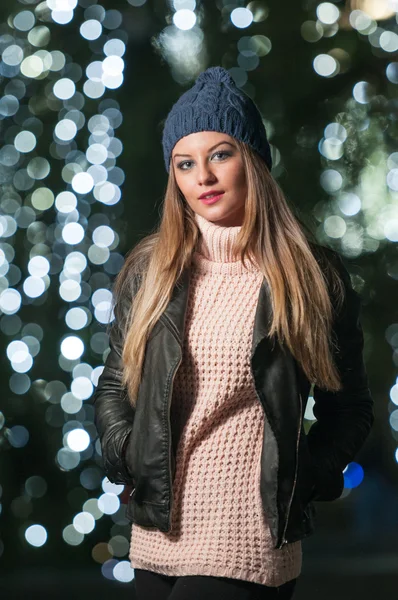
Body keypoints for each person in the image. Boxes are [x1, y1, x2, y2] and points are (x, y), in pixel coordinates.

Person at [93, 66, 374, 600]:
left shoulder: (310, 276)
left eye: (220, 154)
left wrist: (305, 477)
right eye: (185, 163)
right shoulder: (151, 272)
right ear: (173, 176)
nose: (204, 177)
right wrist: (129, 453)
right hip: (159, 531)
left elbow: (351, 406)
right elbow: (115, 386)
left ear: (254, 161)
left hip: (249, 536)